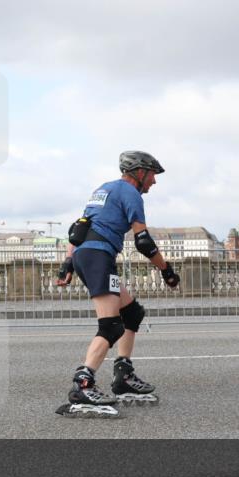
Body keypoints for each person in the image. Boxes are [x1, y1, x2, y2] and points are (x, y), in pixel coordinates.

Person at [54, 150, 180, 414]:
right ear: (140, 173)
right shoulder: (131, 194)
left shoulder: (103, 188)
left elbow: (79, 228)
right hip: (97, 256)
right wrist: (167, 270)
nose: (154, 182)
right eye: (153, 176)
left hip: (86, 254)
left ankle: (123, 376)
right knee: (111, 327)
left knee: (131, 313)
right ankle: (83, 384)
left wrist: (68, 262)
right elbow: (143, 241)